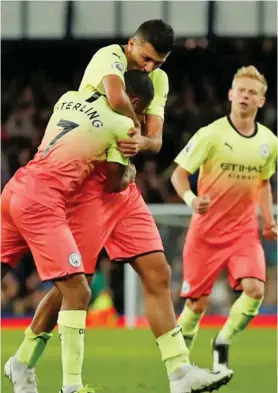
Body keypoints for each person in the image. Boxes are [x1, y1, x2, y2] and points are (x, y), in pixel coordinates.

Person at [3, 20, 232, 393]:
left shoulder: (157, 81)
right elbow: (114, 97)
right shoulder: (108, 56)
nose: (149, 69)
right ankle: (24, 361)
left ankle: (180, 373)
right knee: (71, 287)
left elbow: (155, 142)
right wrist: (133, 131)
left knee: (156, 270)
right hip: (91, 183)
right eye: (145, 59)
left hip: (122, 180)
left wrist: (138, 144)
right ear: (131, 44)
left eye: (158, 63)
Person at [1, 71, 155, 393]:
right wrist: (129, 172)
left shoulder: (68, 98)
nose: (139, 119)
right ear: (135, 102)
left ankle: (22, 365)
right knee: (79, 291)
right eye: (141, 111)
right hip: (43, 202)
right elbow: (113, 183)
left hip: (15, 187)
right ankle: (71, 386)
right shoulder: (123, 126)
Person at [171, 65, 277, 375]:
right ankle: (178, 368)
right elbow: (179, 174)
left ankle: (223, 341)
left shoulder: (269, 142)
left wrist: (268, 221)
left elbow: (263, 183)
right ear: (231, 94)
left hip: (243, 232)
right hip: (205, 233)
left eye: (252, 92)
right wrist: (192, 200)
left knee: (256, 289)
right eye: (241, 90)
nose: (246, 95)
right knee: (196, 306)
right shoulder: (211, 134)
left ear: (261, 100)